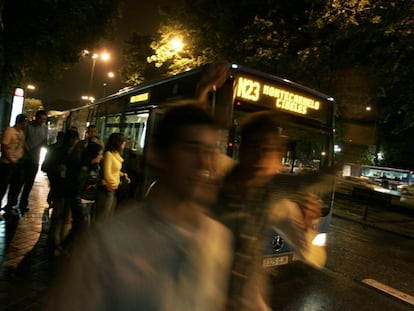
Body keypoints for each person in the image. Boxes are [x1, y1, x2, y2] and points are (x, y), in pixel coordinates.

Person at [42, 103, 233, 310]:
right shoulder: (108, 244)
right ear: (158, 156)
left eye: (211, 151)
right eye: (191, 148)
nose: (204, 162)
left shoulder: (218, 239)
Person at [215, 111, 328, 311]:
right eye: (255, 146)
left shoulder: (276, 204)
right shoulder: (219, 171)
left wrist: (307, 226)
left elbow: (314, 257)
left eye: (269, 150)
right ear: (242, 149)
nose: (261, 157)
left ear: (278, 158)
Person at [17, 109, 48, 214]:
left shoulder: (45, 129)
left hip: (35, 159)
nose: (41, 121)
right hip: (24, 158)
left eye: (44, 119)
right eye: (40, 118)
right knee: (19, 181)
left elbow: (44, 142)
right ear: (36, 117)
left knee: (29, 183)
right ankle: (12, 204)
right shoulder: (28, 126)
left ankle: (23, 203)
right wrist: (28, 149)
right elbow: (22, 139)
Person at [94, 132, 130, 221]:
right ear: (118, 143)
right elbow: (107, 174)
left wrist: (123, 175)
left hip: (112, 189)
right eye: (123, 142)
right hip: (107, 189)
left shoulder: (116, 155)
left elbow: (115, 170)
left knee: (108, 215)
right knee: (103, 217)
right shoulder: (108, 155)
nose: (124, 144)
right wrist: (114, 183)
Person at [0, 114, 28, 218]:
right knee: (2, 187)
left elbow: (22, 144)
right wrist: (11, 160)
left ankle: (10, 206)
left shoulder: (21, 133)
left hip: (18, 163)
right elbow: (3, 147)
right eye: (25, 122)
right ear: (21, 122)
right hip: (7, 164)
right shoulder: (9, 131)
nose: (26, 124)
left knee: (16, 186)